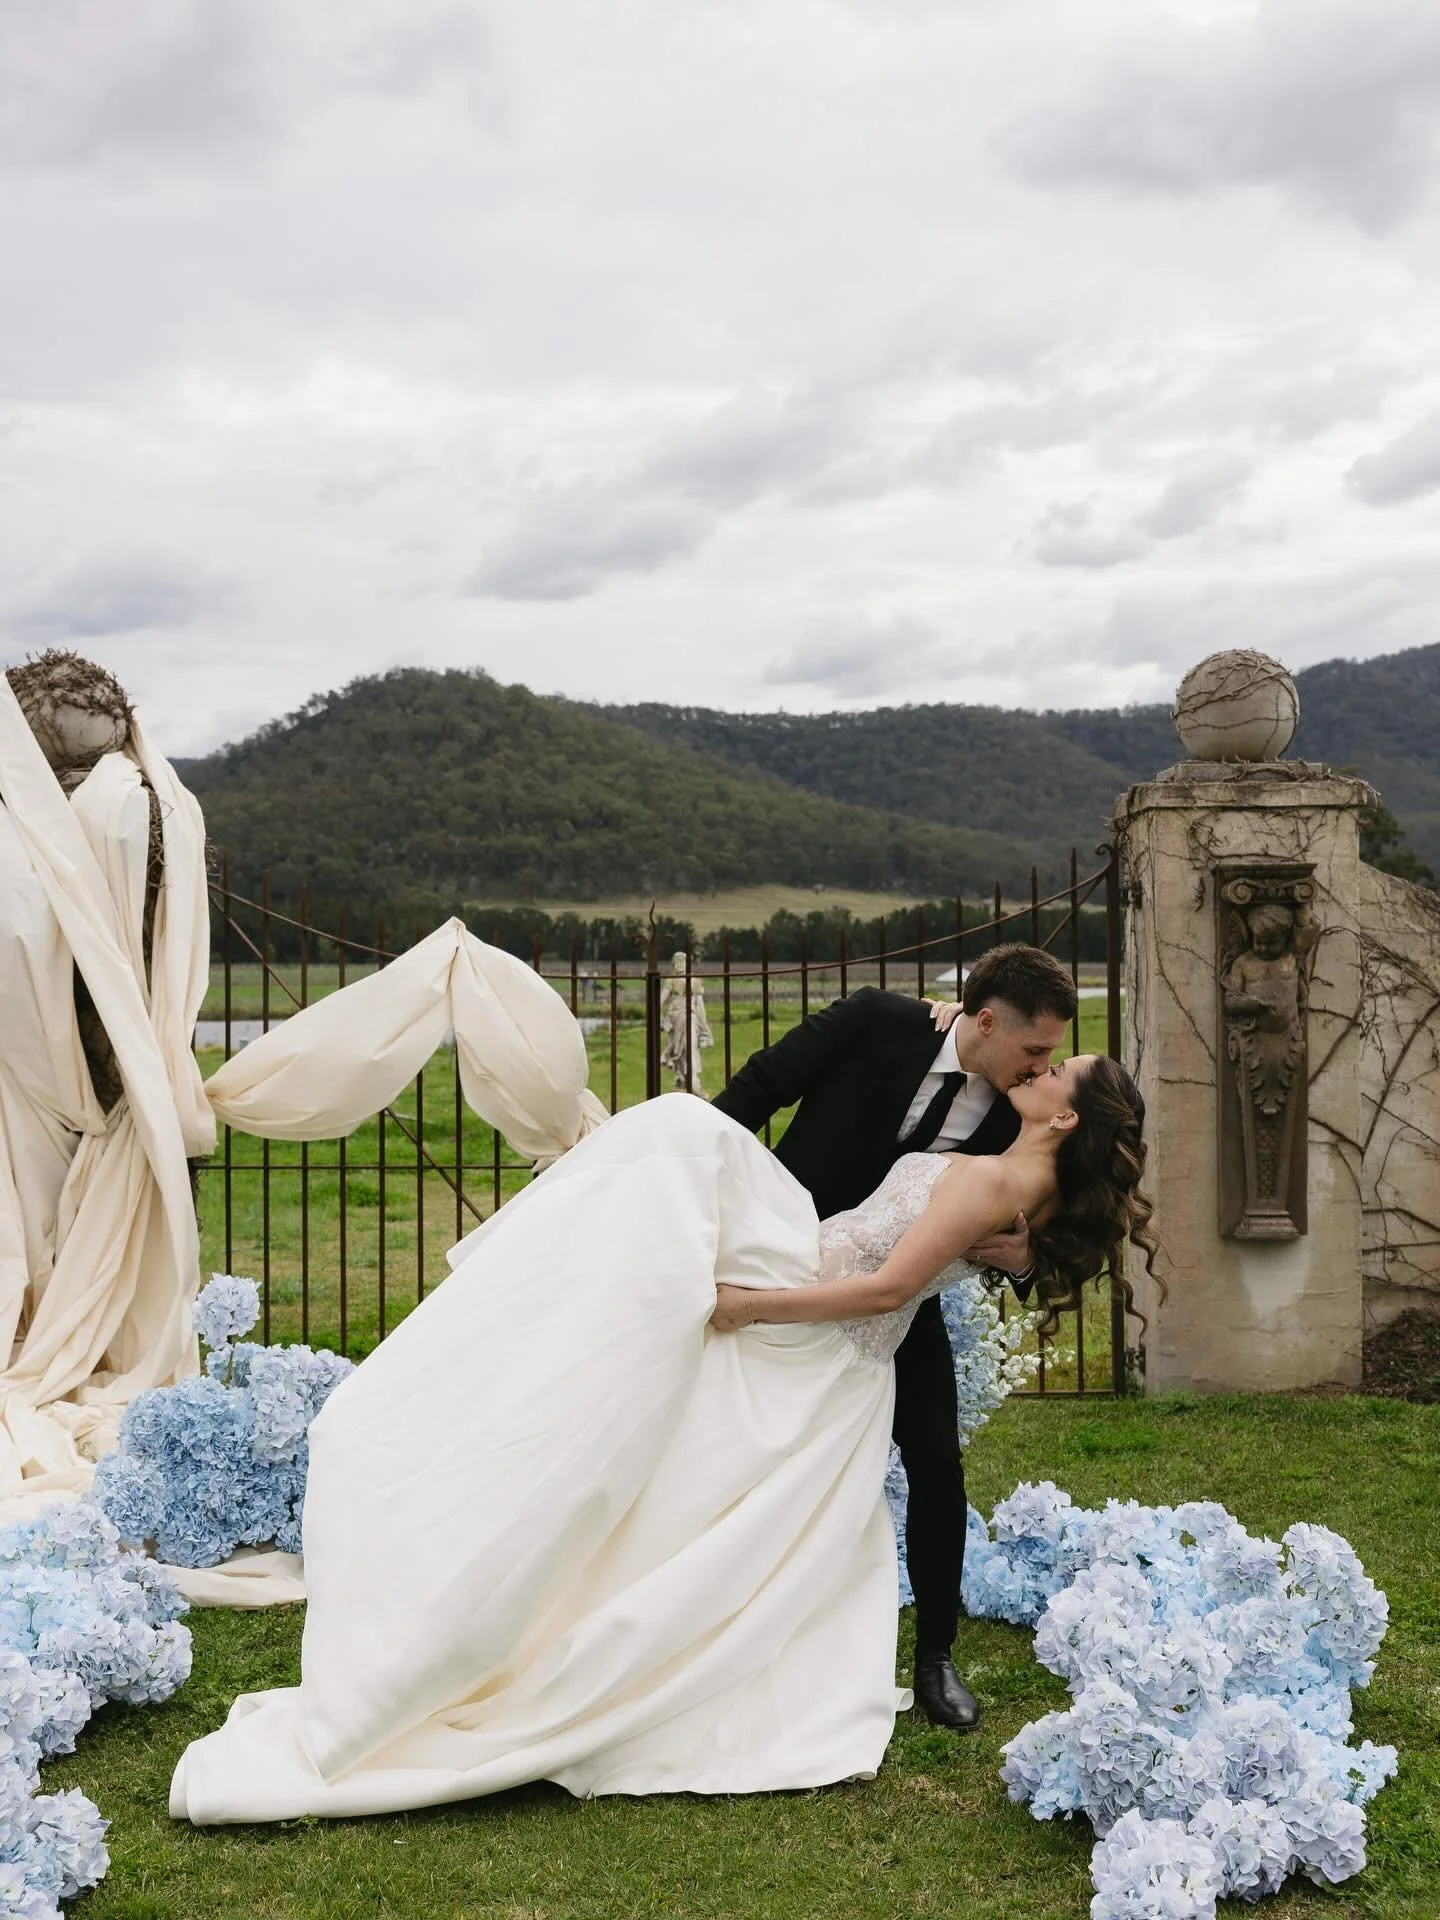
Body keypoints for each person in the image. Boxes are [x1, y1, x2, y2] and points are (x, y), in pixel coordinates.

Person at [170, 1042, 1156, 1827]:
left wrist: (744, 1307)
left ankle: (517, 1285)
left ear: (1063, 1116)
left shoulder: (991, 1183)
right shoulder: (1022, 1194)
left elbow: (894, 1286)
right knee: (674, 1144)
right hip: (814, 1284)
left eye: (1057, 1071)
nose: (1041, 1067)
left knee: (678, 1140)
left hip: (808, 1313)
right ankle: (531, 1274)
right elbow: (978, 1250)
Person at [710, 943, 1076, 1730]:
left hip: (892, 1303)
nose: (1046, 1065)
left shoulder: (1021, 1115)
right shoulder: (879, 1022)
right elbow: (758, 1090)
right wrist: (701, 1200)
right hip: (778, 1264)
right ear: (984, 1021)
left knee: (937, 1459)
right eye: (1036, 1048)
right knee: (732, 1442)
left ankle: (936, 1657)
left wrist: (1022, 1260)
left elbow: (1039, 1217)